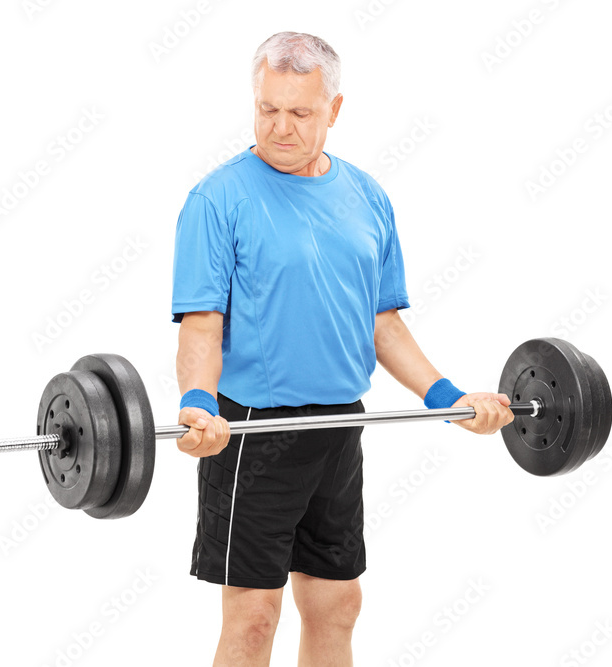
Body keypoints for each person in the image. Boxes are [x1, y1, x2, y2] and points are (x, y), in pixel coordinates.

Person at [171, 31, 513, 666]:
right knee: (252, 617)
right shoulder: (217, 200)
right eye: (267, 108)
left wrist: (450, 398)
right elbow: (200, 326)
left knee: (338, 604)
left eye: (299, 112)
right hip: (249, 431)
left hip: (339, 425)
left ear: (334, 109)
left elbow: (382, 324)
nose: (280, 127)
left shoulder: (367, 198)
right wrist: (196, 403)